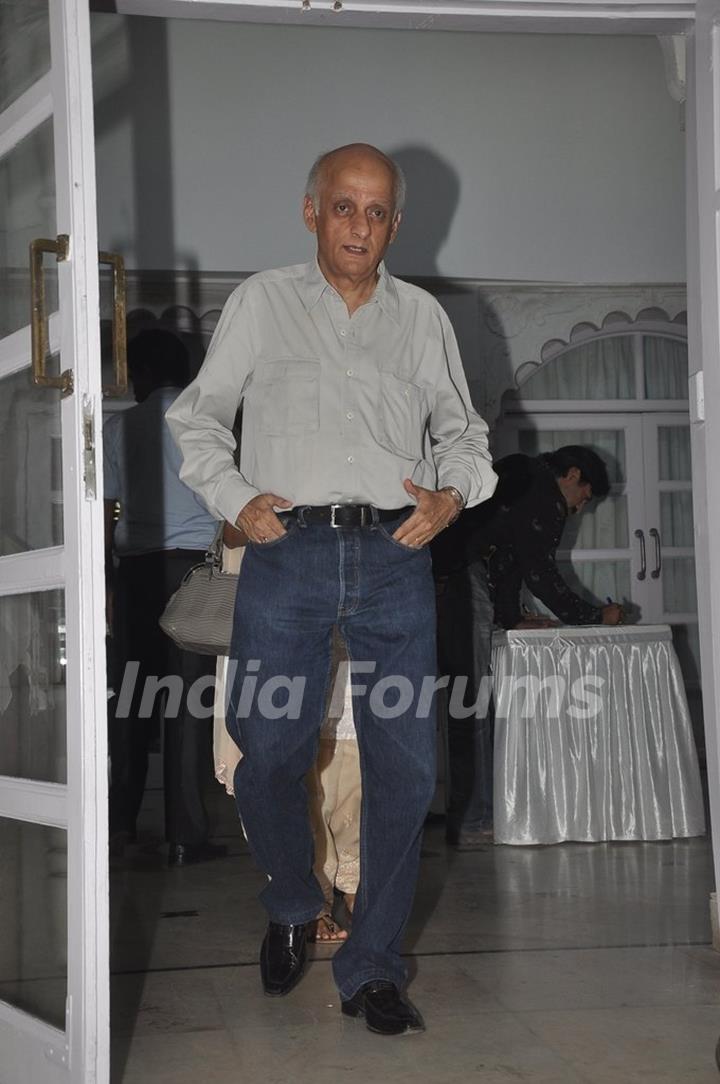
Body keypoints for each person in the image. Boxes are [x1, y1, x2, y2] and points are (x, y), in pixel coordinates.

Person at [166, 142, 497, 1036]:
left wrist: (452, 494)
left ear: (395, 223)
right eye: (343, 206)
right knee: (267, 747)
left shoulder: (421, 318)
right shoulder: (262, 303)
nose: (360, 225)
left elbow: (465, 432)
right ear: (311, 212)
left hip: (395, 554)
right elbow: (196, 416)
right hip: (288, 551)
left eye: (377, 210)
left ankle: (373, 966)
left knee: (408, 766)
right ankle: (287, 895)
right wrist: (236, 501)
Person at [432, 445, 624, 849]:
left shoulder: (523, 479)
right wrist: (593, 615)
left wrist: (511, 617)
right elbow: (538, 572)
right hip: (459, 579)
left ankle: (467, 814)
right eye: (584, 497)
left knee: (465, 702)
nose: (579, 508)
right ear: (572, 475)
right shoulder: (544, 494)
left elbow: (507, 558)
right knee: (471, 704)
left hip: (450, 575)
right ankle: (472, 820)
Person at [104, 328, 225, 866]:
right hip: (191, 571)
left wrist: (109, 580)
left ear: (146, 375)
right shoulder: (199, 425)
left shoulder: (117, 427)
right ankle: (185, 835)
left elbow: (105, 510)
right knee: (187, 705)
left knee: (131, 700)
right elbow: (223, 504)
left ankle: (119, 826)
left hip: (135, 572)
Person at [213, 531, 360, 943]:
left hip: (351, 577)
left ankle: (356, 877)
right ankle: (309, 892)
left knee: (358, 739)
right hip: (273, 586)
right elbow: (231, 526)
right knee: (280, 753)